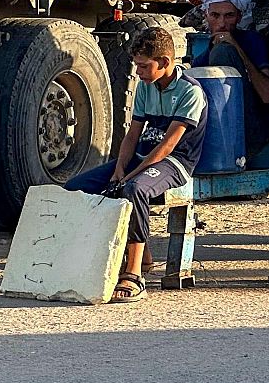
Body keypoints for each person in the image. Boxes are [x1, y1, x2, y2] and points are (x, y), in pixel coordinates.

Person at [64, 27, 207, 304]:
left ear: (164, 63)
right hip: (141, 158)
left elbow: (167, 146)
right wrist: (119, 167)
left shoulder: (191, 92)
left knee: (134, 189)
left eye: (143, 66)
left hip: (174, 163)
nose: (138, 72)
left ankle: (133, 273)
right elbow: (133, 133)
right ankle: (133, 258)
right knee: (76, 186)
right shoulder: (144, 86)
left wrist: (130, 175)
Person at [191, 0, 269, 153]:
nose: (222, 23)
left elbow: (268, 95)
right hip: (215, 136)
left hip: (252, 130)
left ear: (239, 18)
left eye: (229, 16)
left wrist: (237, 49)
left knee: (223, 51)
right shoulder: (201, 59)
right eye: (215, 15)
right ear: (206, 16)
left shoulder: (253, 41)